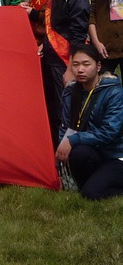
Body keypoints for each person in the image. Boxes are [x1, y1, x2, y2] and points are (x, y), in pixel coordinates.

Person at [25, 0, 90, 147]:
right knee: (52, 108)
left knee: (65, 110)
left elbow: (77, 38)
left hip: (64, 62)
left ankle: (66, 152)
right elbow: (54, 25)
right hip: (51, 59)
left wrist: (71, 69)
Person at [56, 43, 123, 200]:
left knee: (91, 194)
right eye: (75, 65)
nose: (80, 69)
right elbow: (65, 127)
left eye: (86, 64)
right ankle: (93, 182)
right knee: (79, 154)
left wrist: (73, 139)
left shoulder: (114, 92)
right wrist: (60, 164)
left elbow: (109, 132)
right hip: (94, 152)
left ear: (98, 66)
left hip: (116, 155)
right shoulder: (71, 91)